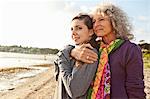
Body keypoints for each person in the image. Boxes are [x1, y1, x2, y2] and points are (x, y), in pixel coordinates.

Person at [70, 3, 146, 99]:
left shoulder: (130, 50)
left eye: (101, 19)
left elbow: (135, 87)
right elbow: (63, 54)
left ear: (114, 21)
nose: (96, 25)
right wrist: (73, 52)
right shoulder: (94, 48)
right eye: (93, 22)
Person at [54, 14, 99, 99]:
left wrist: (63, 55)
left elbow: (74, 91)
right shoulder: (73, 52)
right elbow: (57, 73)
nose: (73, 33)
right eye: (72, 29)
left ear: (91, 32)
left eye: (79, 28)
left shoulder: (88, 53)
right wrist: (69, 51)